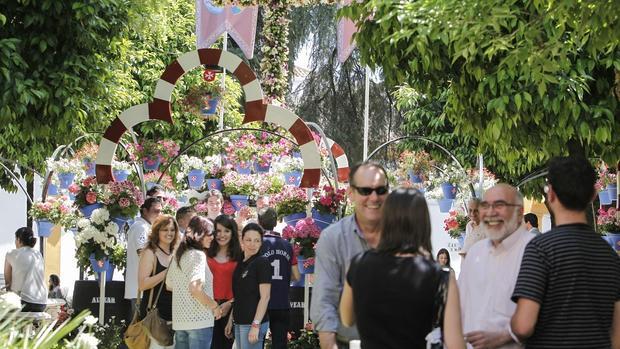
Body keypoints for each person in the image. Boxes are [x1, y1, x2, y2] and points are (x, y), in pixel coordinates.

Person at [511, 156, 620, 348]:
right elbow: (617, 333)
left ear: (550, 195)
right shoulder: (610, 255)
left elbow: (523, 325)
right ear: (593, 195)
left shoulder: (540, 249)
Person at [339, 188, 465, 349]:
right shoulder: (440, 276)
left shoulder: (358, 263)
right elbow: (455, 344)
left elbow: (347, 318)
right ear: (423, 223)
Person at [311, 161, 389, 348]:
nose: (374, 197)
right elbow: (325, 298)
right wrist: (329, 343)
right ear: (351, 193)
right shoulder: (333, 238)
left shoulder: (405, 236)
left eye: (380, 190)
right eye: (365, 191)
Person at [458, 183, 533, 349]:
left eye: (499, 205)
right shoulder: (475, 252)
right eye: (485, 205)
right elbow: (460, 309)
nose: (491, 212)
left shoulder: (535, 251)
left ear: (519, 212)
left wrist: (505, 337)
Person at [166, 216, 222, 348]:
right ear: (199, 235)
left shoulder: (179, 254)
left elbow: (169, 285)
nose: (213, 237)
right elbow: (195, 288)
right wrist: (215, 306)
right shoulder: (198, 255)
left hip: (181, 322)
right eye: (210, 234)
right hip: (199, 322)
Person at [258, 207, 300, 349]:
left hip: (260, 303)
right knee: (280, 344)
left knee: (257, 343)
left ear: (259, 222)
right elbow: (296, 275)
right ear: (276, 223)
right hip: (282, 302)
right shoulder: (287, 245)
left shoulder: (256, 244)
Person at [225, 223, 271, 349]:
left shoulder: (262, 263)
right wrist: (231, 319)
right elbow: (239, 295)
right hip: (239, 322)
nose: (252, 244)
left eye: (257, 241)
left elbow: (265, 297)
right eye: (248, 240)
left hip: (253, 323)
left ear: (261, 242)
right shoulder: (240, 262)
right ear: (242, 241)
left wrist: (256, 325)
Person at [138, 215, 178, 349]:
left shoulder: (177, 253)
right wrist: (166, 272)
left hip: (175, 316)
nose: (169, 233)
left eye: (172, 230)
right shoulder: (150, 252)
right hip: (154, 317)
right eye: (165, 230)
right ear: (157, 231)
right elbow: (142, 284)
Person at [207, 215, 243, 349]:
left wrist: (231, 303)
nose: (222, 235)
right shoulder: (205, 253)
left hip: (230, 309)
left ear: (232, 232)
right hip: (207, 307)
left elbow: (244, 286)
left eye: (226, 231)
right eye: (218, 231)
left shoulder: (240, 255)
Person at [125, 197, 163, 317]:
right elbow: (142, 252)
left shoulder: (145, 227)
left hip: (144, 287)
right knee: (139, 329)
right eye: (156, 211)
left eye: (160, 211)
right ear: (145, 210)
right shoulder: (140, 228)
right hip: (139, 289)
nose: (159, 214)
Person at [4, 227, 47, 312]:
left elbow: (8, 283)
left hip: (23, 303)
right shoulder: (38, 254)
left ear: (18, 239)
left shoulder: (11, 254)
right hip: (42, 303)